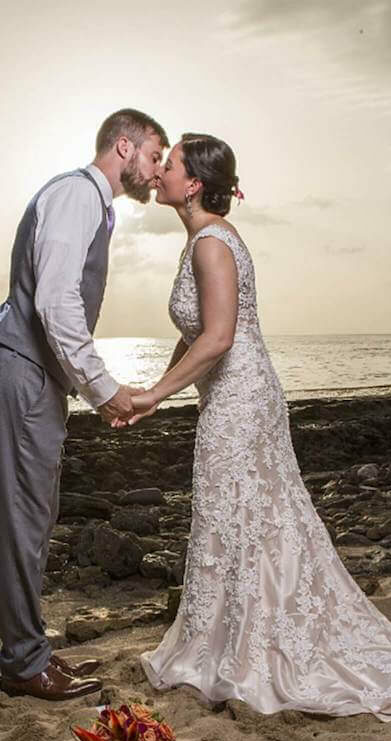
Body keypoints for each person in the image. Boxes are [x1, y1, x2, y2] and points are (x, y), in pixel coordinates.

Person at [122, 133, 391, 721]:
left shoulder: (212, 243)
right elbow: (194, 332)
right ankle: (235, 641)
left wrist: (157, 391)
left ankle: (262, 650)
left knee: (250, 516)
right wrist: (160, 393)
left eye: (172, 163)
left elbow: (219, 336)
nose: (159, 171)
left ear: (195, 184)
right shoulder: (198, 242)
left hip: (243, 400)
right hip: (231, 396)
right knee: (236, 518)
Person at [0, 109, 169, 700]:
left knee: (33, 514)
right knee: (25, 517)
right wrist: (106, 389)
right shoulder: (75, 195)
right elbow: (55, 303)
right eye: (154, 155)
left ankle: (26, 650)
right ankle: (23, 663)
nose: (158, 169)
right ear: (124, 147)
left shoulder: (93, 206)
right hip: (24, 370)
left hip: (34, 375)